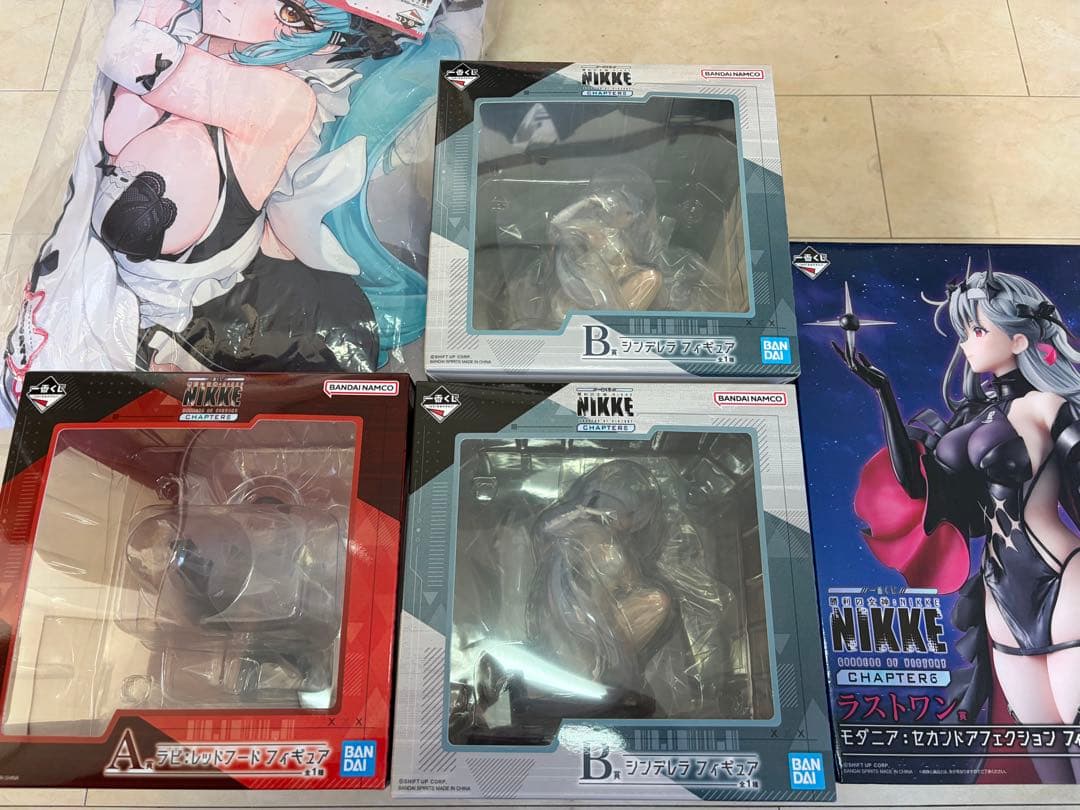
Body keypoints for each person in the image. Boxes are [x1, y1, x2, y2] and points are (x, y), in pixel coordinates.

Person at [3, 0, 482, 412]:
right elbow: (133, 77)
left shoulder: (276, 105)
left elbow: (129, 55)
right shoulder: (245, 88)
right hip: (209, 304)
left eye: (291, 13)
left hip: (298, 301)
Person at [839, 261, 1080, 783]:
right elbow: (920, 489)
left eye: (977, 330)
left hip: (1065, 579)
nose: (966, 343)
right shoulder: (969, 419)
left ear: (1019, 339)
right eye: (963, 331)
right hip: (1000, 594)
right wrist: (883, 393)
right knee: (1048, 759)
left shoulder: (1051, 407)